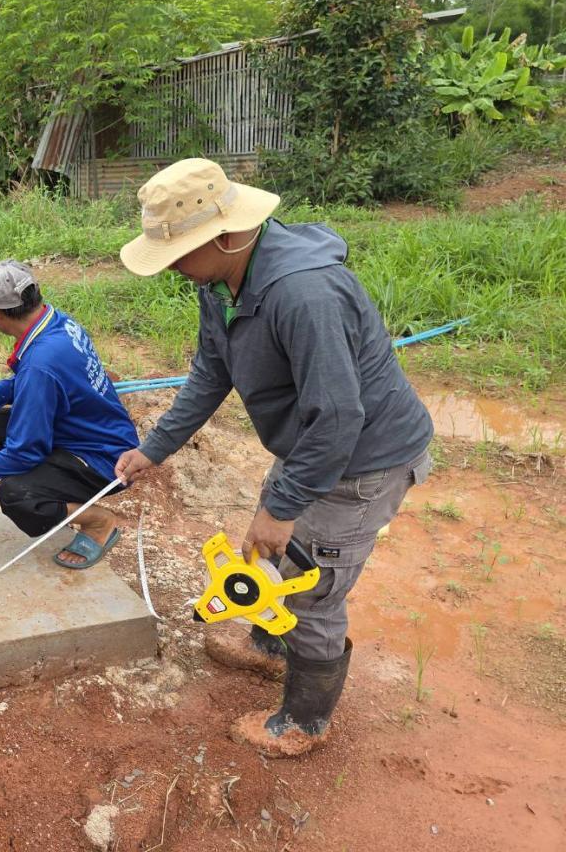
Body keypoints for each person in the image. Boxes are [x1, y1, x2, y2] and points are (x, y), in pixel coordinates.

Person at [115, 157, 433, 757]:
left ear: (229, 235)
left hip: (363, 462)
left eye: (180, 252)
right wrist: (154, 449)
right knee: (273, 551)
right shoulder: (223, 281)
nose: (175, 268)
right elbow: (213, 369)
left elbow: (340, 417)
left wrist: (283, 505)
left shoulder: (304, 293)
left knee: (313, 585)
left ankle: (305, 720)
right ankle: (268, 644)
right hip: (313, 444)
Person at [0, 261, 140, 569]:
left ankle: (97, 522)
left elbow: (25, 448)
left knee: (15, 494)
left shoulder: (41, 362)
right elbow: (41, 384)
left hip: (104, 461)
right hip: (84, 432)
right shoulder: (57, 324)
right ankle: (54, 495)